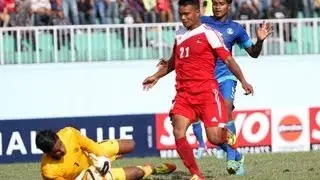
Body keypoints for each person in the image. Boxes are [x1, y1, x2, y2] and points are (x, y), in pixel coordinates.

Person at [142, 0, 253, 179]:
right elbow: (173, 62)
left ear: (197, 13)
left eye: (187, 14)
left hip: (207, 93)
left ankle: (228, 137)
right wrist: (156, 76)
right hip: (184, 94)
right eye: (181, 14)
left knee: (214, 138)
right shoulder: (179, 34)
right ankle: (196, 174)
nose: (183, 18)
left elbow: (228, 60)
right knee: (178, 132)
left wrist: (243, 80)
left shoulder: (209, 33)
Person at [190, 0, 272, 174]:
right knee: (213, 133)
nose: (218, 7)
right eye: (215, 3)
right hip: (204, 79)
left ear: (229, 6)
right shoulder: (202, 22)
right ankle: (236, 155)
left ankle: (230, 159)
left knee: (226, 108)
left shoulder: (235, 28)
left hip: (226, 76)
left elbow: (254, 54)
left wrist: (260, 40)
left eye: (221, 4)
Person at [36, 127, 176, 180]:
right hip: (86, 177)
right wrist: (91, 175)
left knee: (130, 144)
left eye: (60, 144)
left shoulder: (69, 133)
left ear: (58, 137)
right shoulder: (49, 170)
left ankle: (113, 157)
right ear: (47, 153)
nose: (62, 150)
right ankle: (150, 169)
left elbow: (92, 146)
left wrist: (104, 158)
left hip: (92, 156)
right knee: (137, 173)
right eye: (57, 151)